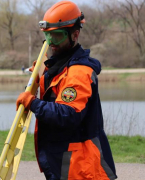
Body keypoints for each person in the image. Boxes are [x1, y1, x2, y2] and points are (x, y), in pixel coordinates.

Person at [16, 1, 117, 180]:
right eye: (48, 36)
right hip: (66, 163)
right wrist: (43, 76)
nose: (51, 42)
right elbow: (56, 93)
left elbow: (67, 114)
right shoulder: (61, 66)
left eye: (57, 36)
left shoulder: (79, 72)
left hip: (81, 168)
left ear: (74, 35)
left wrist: (33, 103)